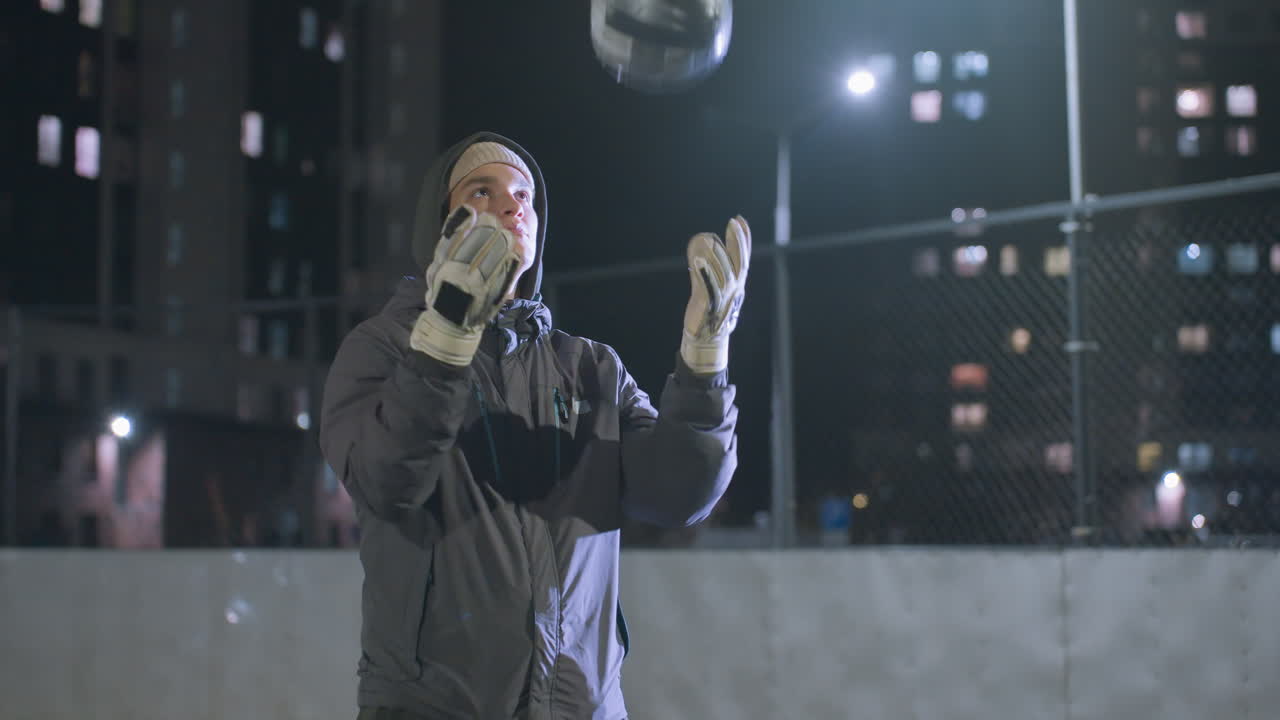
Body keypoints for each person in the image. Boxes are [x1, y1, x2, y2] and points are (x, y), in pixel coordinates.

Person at [319, 131, 750, 719]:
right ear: (440, 224)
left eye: (524, 194)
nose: (513, 203)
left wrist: (704, 362)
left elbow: (678, 494)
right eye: (482, 189)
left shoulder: (590, 367)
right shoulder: (382, 349)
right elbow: (388, 476)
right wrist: (444, 342)